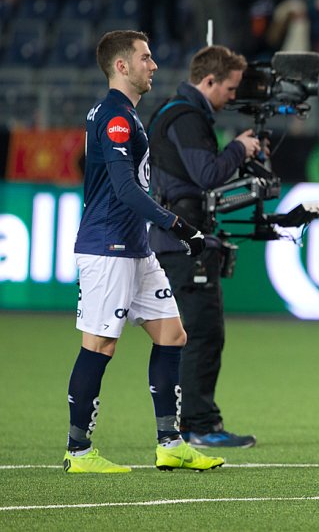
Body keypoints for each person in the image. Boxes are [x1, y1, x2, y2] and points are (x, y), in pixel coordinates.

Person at [66, 30, 224, 473]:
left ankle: (170, 443)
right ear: (122, 66)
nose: (153, 65)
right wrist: (176, 224)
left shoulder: (127, 116)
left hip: (135, 248)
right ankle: (78, 451)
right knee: (99, 344)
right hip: (108, 247)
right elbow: (123, 188)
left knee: (173, 334)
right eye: (145, 58)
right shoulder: (115, 117)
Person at [147, 45, 263, 448]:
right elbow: (207, 174)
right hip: (183, 242)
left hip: (174, 237)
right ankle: (198, 425)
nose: (233, 96)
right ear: (209, 80)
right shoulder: (188, 117)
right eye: (230, 87)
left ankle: (185, 424)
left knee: (188, 334)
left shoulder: (170, 112)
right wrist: (239, 149)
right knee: (201, 334)